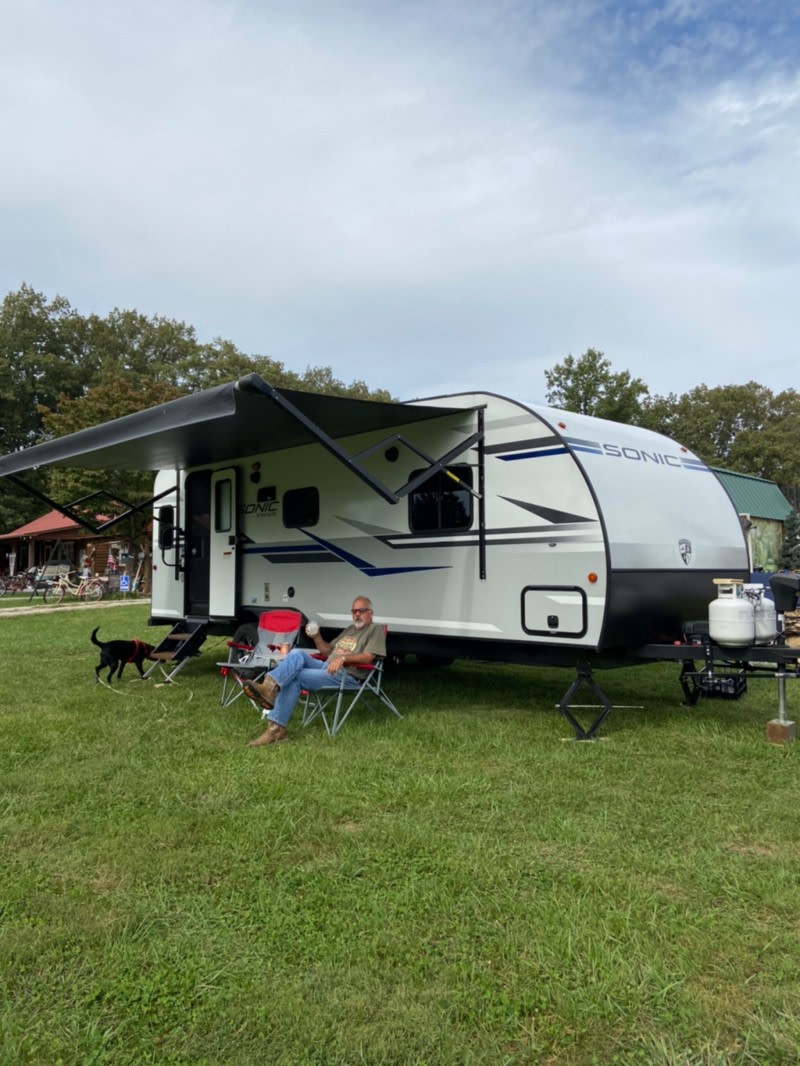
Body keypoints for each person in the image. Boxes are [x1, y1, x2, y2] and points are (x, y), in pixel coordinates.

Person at [242, 595, 386, 746]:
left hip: (347, 675)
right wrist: (317, 637)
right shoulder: (350, 629)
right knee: (297, 654)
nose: (357, 614)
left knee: (295, 676)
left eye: (362, 610)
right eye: (354, 610)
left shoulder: (375, 629)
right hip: (327, 667)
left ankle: (275, 730)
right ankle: (269, 686)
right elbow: (327, 651)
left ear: (371, 612)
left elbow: (368, 657)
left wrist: (343, 659)